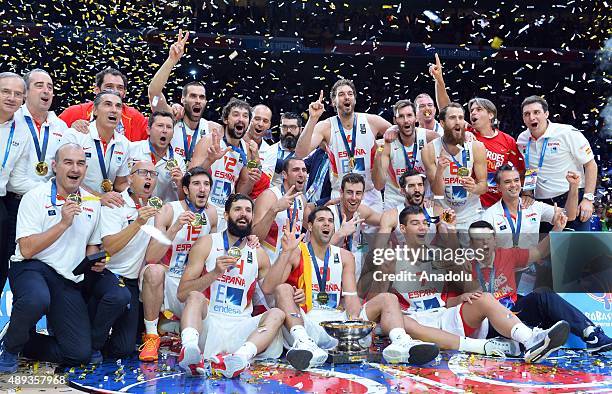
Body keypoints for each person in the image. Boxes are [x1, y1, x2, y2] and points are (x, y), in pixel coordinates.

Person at [386, 206, 571, 364]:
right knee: (404, 323)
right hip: (415, 322)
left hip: (445, 316)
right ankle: (489, 346)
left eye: (425, 223)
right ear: (402, 228)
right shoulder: (389, 259)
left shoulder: (440, 256)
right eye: (415, 223)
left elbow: (459, 290)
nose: (422, 228)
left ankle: (531, 341)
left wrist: (450, 232)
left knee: (485, 297)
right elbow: (381, 302)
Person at [265, 206, 440, 370]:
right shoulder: (297, 251)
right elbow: (268, 288)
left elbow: (350, 296)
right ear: (309, 226)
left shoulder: (345, 256)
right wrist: (286, 252)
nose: (326, 223)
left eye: (330, 220)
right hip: (307, 323)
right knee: (283, 289)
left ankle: (400, 343)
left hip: (337, 323)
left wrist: (355, 321)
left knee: (388, 298)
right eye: (320, 220)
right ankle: (303, 343)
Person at [0, 143, 104, 372]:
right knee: (36, 298)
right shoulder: (34, 197)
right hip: (31, 268)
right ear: (55, 166)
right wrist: (63, 224)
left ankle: (25, 341)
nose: (75, 168)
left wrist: (95, 260)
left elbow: (91, 246)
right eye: (68, 162)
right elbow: (26, 249)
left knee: (78, 355)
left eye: (80, 163)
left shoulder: (93, 203)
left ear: (85, 169)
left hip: (66, 279)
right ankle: (9, 348)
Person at [175, 194, 285, 378]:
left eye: (248, 210)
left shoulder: (258, 253)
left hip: (240, 328)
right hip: (208, 325)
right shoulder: (207, 243)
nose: (243, 214)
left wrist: (286, 254)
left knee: (277, 314)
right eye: (238, 209)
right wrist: (214, 273)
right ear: (226, 215)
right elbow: (181, 293)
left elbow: (270, 294)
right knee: (195, 296)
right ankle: (190, 351)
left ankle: (240, 358)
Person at [466, 220, 612, 354]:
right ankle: (524, 341)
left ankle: (592, 335)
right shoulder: (464, 267)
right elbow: (452, 305)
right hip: (489, 322)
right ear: (471, 243)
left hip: (515, 313)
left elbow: (538, 252)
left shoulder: (506, 255)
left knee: (543, 295)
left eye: (488, 237)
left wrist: (556, 229)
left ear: (494, 239)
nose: (485, 242)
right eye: (479, 239)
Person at [139, 167, 218, 362]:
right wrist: (175, 228)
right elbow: (151, 256)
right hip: (166, 278)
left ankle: (185, 343)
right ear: (185, 189)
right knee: (154, 271)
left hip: (191, 284)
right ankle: (151, 337)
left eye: (206, 184)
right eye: (196, 184)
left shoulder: (212, 214)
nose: (202, 189)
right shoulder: (169, 209)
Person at [430, 56, 525, 208]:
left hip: (498, 204)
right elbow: (445, 109)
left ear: (491, 115)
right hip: (472, 202)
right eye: (471, 110)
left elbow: (519, 171)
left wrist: (525, 193)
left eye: (479, 109)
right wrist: (439, 80)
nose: (473, 113)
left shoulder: (508, 141)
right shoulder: (466, 131)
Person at [88, 161, 159, 362]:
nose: (149, 178)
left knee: (123, 349)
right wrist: (138, 222)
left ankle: (104, 343)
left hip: (132, 281)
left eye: (153, 174)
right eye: (143, 173)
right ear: (129, 178)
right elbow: (109, 246)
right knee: (118, 296)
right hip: (107, 274)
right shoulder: (116, 204)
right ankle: (93, 345)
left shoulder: (155, 207)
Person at [295, 83, 392, 212]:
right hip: (340, 195)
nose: (347, 97)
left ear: (355, 99)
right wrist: (313, 118)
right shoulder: (325, 126)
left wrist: (382, 148)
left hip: (370, 195)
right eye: (341, 94)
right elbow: (300, 153)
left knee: (375, 232)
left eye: (350, 94)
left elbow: (398, 135)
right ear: (333, 102)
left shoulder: (372, 121)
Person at [517, 95, 597, 231]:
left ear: (546, 114)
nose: (532, 117)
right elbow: (530, 169)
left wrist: (588, 199)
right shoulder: (522, 139)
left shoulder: (567, 133)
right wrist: (528, 192)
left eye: (536, 112)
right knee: (548, 249)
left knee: (579, 248)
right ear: (523, 118)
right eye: (527, 114)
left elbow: (590, 165)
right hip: (542, 204)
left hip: (571, 198)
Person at [147, 30, 222, 163]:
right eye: (193, 96)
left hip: (193, 182)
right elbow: (154, 92)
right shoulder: (171, 118)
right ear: (183, 99)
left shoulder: (212, 129)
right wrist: (171, 60)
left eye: (201, 97)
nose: (198, 100)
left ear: (205, 101)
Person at [190, 98, 262, 231]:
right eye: (235, 114)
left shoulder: (246, 150)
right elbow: (189, 178)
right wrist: (209, 160)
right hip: (202, 209)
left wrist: (251, 181)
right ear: (225, 120)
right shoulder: (209, 140)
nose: (241, 119)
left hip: (225, 214)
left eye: (245, 116)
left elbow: (241, 191)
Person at [422, 103, 488, 237]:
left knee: (474, 253)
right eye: (452, 118)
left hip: (471, 211)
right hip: (445, 210)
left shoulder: (477, 147)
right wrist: (440, 170)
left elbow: (484, 186)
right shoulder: (429, 150)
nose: (458, 122)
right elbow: (437, 192)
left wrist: (474, 187)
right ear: (442, 123)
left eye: (461, 117)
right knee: (450, 248)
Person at [482, 164, 579, 248]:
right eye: (507, 182)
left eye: (516, 180)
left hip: (530, 267)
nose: (513, 185)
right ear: (498, 187)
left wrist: (574, 186)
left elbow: (569, 215)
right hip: (503, 268)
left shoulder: (534, 207)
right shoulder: (490, 215)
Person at [60, 91, 130, 206]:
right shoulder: (75, 135)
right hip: (74, 203)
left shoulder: (124, 143)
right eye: (108, 104)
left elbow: (120, 183)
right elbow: (64, 177)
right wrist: (98, 197)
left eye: (118, 106)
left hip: (106, 205)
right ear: (95, 111)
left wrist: (138, 192)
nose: (114, 110)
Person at [372, 99, 438, 210]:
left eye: (409, 115)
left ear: (416, 117)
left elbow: (451, 142)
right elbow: (379, 185)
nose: (406, 120)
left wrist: (467, 134)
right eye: (401, 117)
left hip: (423, 199)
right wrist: (379, 153)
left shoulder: (430, 138)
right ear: (395, 120)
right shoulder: (386, 144)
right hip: (396, 201)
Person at [0, 72, 33, 292]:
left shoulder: (21, 130)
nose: (12, 97)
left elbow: (17, 179)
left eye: (18, 94)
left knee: (3, 261)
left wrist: (54, 189)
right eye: (5, 91)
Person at [59, 68, 148, 142]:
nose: (114, 91)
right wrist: (70, 130)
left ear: (124, 93)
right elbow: (53, 137)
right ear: (97, 90)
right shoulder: (74, 113)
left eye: (120, 88)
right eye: (109, 86)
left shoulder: (135, 117)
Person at [328, 173, 382, 281]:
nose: (354, 198)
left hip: (353, 274)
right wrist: (340, 234)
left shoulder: (361, 212)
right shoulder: (328, 215)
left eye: (358, 193)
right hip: (329, 274)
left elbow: (387, 220)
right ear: (341, 193)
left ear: (363, 195)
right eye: (349, 192)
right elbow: (314, 251)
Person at [128, 111, 186, 202]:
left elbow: (184, 199)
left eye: (169, 127)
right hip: (133, 208)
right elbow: (120, 182)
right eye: (160, 125)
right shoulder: (131, 150)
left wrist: (180, 183)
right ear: (148, 130)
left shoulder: (178, 161)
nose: (165, 130)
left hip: (163, 212)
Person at [262, 112, 303, 189]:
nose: (288, 131)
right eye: (284, 127)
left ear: (300, 130)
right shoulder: (268, 151)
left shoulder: (309, 153)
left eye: (293, 127)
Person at [244, 104, 273, 199]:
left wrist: (255, 156)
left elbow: (261, 184)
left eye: (265, 121)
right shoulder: (235, 140)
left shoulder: (270, 151)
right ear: (249, 119)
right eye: (257, 119)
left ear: (269, 125)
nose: (260, 124)